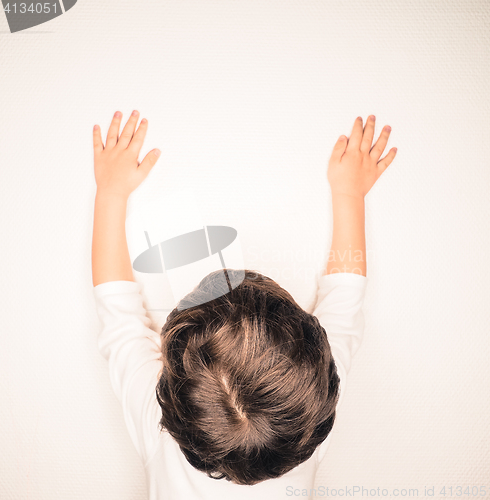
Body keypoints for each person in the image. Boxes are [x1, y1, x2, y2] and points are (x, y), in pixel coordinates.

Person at [91, 110, 397, 499]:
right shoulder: (307, 408)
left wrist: (111, 193)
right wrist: (350, 194)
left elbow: (117, 310)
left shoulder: (158, 428)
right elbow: (346, 296)